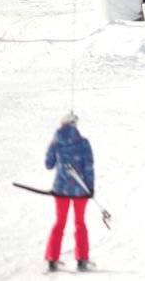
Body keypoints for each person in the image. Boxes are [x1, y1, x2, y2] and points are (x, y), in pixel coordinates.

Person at [44, 113, 95, 272]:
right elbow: (88, 167)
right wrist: (90, 188)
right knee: (80, 223)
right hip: (81, 190)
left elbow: (48, 164)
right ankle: (82, 259)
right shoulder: (83, 143)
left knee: (59, 223)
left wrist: (53, 147)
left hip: (60, 190)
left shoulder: (56, 142)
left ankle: (52, 259)